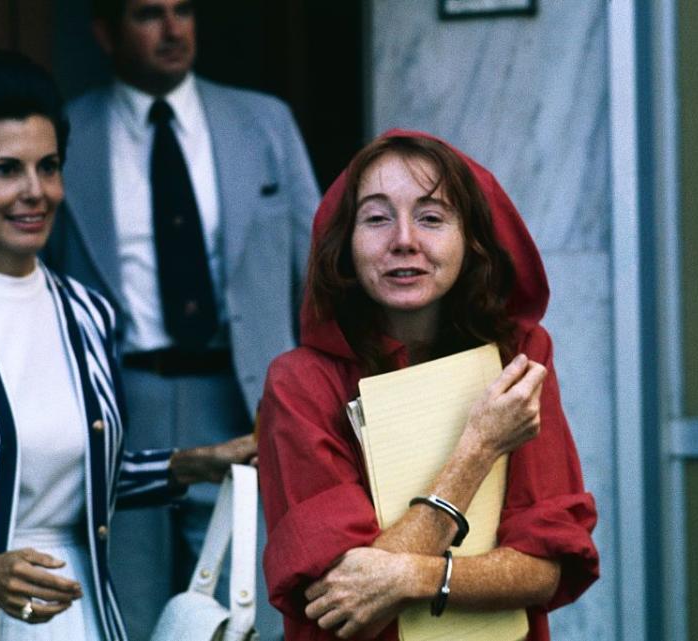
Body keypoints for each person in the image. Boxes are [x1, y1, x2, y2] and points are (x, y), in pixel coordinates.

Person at [0, 48, 256, 641]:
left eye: (49, 166)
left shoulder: (87, 313)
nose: (35, 191)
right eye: (5, 169)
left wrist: (191, 465)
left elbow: (81, 477)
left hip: (81, 611)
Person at [43, 0, 320, 636]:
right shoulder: (66, 133)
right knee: (127, 609)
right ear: (105, 34)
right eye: (147, 14)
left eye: (184, 10)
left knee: (243, 609)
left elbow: (319, 272)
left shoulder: (263, 122)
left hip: (241, 397)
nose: (173, 30)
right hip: (119, 405)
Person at [257, 130, 599, 640]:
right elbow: (349, 602)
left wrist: (416, 575)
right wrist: (479, 448)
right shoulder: (300, 383)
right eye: (376, 218)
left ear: (472, 240)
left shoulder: (518, 358)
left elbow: (544, 566)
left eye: (432, 217)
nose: (403, 240)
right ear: (344, 245)